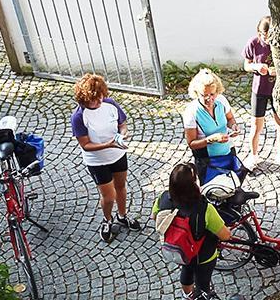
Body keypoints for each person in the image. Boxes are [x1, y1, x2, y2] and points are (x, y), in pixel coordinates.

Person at [71, 73, 141, 243]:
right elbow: (85, 145)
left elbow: (122, 125)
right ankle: (107, 219)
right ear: (85, 99)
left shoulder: (110, 104)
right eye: (94, 99)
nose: (99, 101)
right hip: (97, 161)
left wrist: (123, 135)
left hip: (117, 154)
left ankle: (122, 215)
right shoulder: (79, 117)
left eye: (101, 96)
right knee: (109, 196)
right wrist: (108, 145)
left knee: (121, 187)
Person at [152, 163, 232, 299]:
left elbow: (155, 217)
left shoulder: (163, 198)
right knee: (203, 280)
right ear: (194, 185)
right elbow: (225, 235)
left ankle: (188, 294)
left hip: (180, 251)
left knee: (187, 271)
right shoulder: (205, 209)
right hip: (203, 256)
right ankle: (204, 294)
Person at [182, 69, 241, 183]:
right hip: (208, 161)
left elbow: (230, 119)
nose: (209, 99)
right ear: (196, 93)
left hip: (228, 153)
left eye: (212, 94)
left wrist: (233, 126)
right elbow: (191, 143)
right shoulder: (191, 112)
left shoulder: (221, 101)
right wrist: (211, 139)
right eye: (204, 95)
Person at [242, 16, 280, 170]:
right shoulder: (253, 43)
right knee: (256, 125)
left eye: (267, 35)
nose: (264, 38)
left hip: (277, 90)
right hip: (259, 90)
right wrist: (256, 67)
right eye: (261, 34)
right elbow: (246, 65)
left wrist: (276, 71)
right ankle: (253, 156)